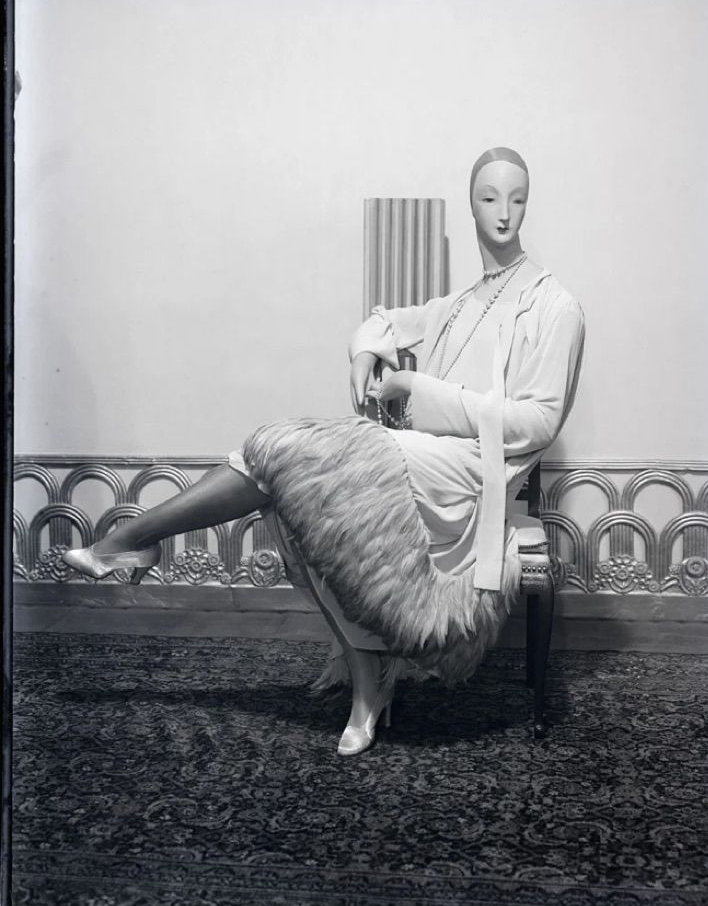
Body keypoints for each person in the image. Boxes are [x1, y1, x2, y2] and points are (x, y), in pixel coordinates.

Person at [64, 146, 585, 757]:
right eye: (489, 197)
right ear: (470, 205)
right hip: (421, 454)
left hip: (478, 471)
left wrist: (417, 388)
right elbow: (385, 321)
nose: (504, 213)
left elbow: (540, 422)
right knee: (289, 498)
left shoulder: (555, 306)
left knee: (286, 455)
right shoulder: (462, 302)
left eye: (517, 198)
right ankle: (369, 685)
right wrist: (368, 352)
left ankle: (131, 540)